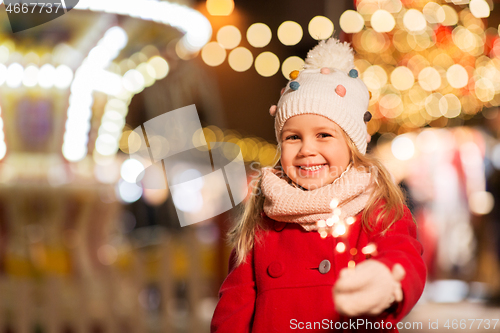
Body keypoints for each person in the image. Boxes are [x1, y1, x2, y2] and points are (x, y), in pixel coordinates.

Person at [210, 38, 427, 333]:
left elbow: (404, 255)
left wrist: (388, 280)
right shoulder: (262, 222)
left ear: (352, 145)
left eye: (323, 135)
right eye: (293, 137)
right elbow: (233, 309)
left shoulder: (375, 207)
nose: (306, 149)